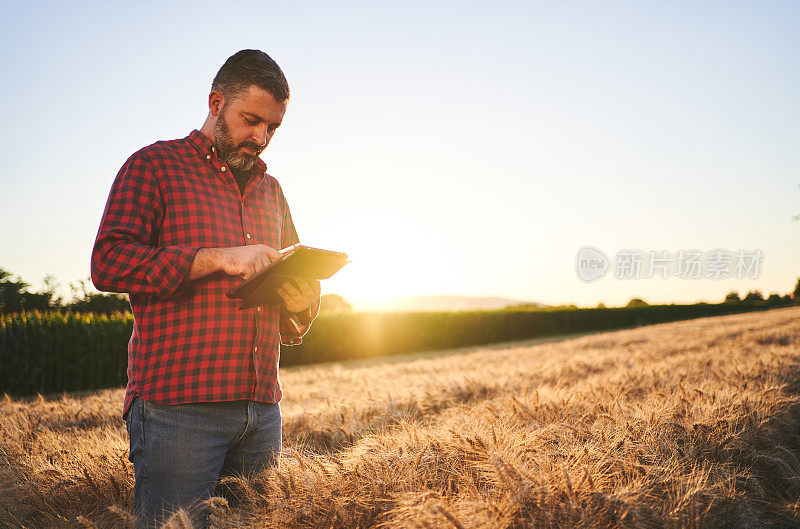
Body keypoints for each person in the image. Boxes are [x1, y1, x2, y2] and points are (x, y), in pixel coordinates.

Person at [90, 49, 321, 528]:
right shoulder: (154, 166)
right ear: (216, 102)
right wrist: (215, 257)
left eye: (272, 128)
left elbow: (292, 285)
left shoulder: (272, 191)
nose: (261, 137)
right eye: (251, 120)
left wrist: (301, 303)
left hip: (261, 408)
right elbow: (107, 262)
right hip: (179, 411)